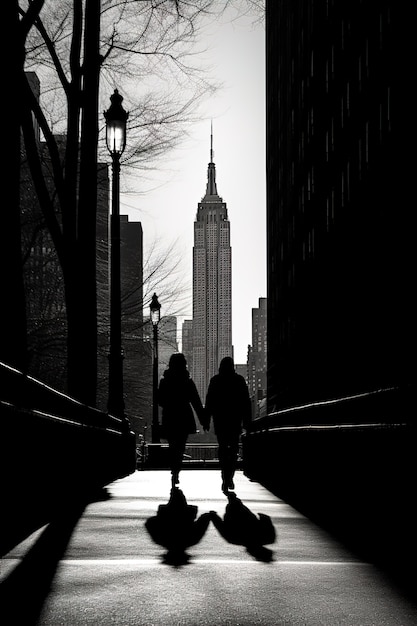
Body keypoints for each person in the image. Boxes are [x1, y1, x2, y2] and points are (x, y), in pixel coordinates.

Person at [157, 353, 208, 488]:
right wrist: (203, 420)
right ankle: (176, 471)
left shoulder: (164, 380)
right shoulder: (187, 381)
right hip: (184, 416)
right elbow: (196, 401)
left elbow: (160, 400)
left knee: (172, 445)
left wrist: (169, 403)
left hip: (169, 416)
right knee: (180, 446)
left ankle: (174, 469)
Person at [205, 357, 252, 494]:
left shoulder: (215, 381)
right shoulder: (239, 380)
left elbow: (209, 401)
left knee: (223, 447)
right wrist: (247, 421)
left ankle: (225, 474)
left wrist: (207, 419)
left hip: (220, 421)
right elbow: (246, 402)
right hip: (234, 420)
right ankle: (229, 475)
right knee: (233, 449)